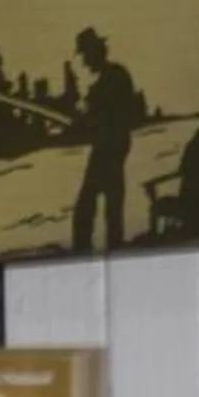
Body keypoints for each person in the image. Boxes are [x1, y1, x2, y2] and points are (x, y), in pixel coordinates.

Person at [69, 27, 137, 252]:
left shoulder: (113, 78)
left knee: (87, 206)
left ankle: (84, 251)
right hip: (111, 147)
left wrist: (87, 114)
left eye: (86, 54)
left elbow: (114, 114)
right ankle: (111, 248)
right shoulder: (109, 78)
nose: (85, 61)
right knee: (110, 205)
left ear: (96, 51)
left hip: (109, 149)